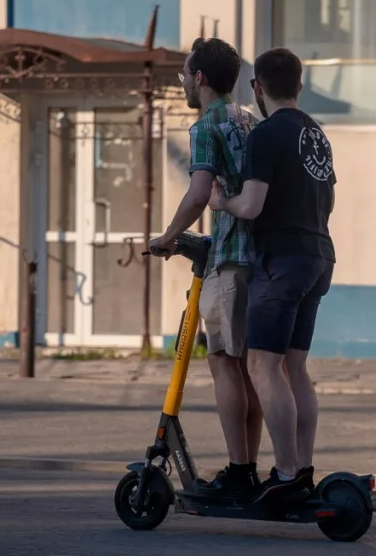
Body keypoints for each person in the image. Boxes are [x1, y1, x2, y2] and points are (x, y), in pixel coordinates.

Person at [208, 47, 336, 504]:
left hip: (281, 260)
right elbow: (328, 199)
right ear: (300, 85)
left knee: (262, 364)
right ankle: (303, 468)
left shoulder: (267, 134)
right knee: (294, 367)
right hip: (319, 256)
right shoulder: (317, 134)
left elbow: (252, 205)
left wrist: (222, 202)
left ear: (257, 88)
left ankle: (284, 473)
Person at [148, 37, 263, 500]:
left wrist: (168, 236)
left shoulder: (206, 125)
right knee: (250, 368)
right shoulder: (248, 120)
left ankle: (239, 471)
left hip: (231, 257)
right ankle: (248, 467)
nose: (182, 82)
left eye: (184, 74)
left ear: (200, 78)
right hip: (261, 258)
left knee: (223, 363)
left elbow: (199, 193)